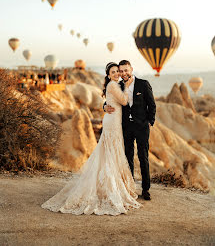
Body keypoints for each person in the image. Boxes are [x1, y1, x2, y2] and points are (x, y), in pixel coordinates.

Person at [41, 62, 141, 215]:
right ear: (108, 75)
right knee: (111, 153)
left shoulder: (114, 85)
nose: (116, 74)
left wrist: (106, 104)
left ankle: (110, 185)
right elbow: (124, 101)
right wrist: (127, 86)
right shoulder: (115, 85)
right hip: (112, 122)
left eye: (117, 71)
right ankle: (110, 188)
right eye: (113, 72)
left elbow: (110, 101)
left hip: (114, 120)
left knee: (109, 153)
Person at [104, 60, 156, 200]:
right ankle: (129, 188)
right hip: (126, 127)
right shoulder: (118, 85)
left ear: (131, 69)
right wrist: (104, 107)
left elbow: (152, 104)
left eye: (126, 70)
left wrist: (150, 122)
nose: (123, 73)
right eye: (121, 71)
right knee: (128, 158)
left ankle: (146, 189)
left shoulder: (143, 84)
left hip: (142, 127)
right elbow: (108, 100)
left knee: (143, 157)